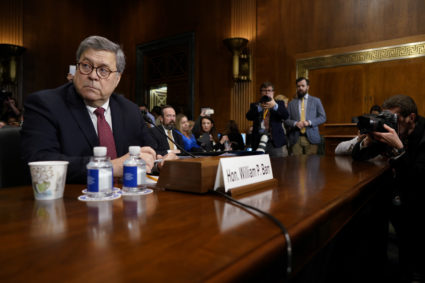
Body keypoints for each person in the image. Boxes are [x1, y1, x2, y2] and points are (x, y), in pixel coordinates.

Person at [20, 35, 174, 184]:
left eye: (103, 70)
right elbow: (39, 161)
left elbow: (150, 149)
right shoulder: (46, 104)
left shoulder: (130, 110)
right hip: (71, 203)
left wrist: (160, 161)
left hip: (125, 201)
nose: (93, 75)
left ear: (117, 79)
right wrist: (110, 167)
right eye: (86, 66)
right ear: (77, 68)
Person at [352, 95, 424, 282]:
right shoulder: (395, 130)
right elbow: (358, 156)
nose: (390, 125)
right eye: (387, 119)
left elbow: (418, 176)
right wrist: (368, 140)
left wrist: (399, 149)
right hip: (395, 194)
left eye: (395, 120)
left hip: (418, 200)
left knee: (411, 242)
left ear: (412, 118)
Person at [246, 82, 289, 157]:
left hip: (274, 142)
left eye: (269, 90)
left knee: (277, 165)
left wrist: (275, 106)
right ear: (260, 92)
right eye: (264, 90)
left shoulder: (279, 103)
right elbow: (248, 116)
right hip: (258, 141)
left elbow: (286, 116)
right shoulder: (255, 105)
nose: (267, 93)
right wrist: (259, 107)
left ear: (273, 92)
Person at [285, 77, 326, 155]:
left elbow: (323, 117)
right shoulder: (291, 103)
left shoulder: (316, 101)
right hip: (295, 138)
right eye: (298, 86)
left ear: (308, 87)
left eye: (303, 86)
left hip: (312, 138)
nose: (300, 88)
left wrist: (309, 122)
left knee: (312, 164)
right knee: (296, 165)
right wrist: (295, 123)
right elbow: (286, 120)